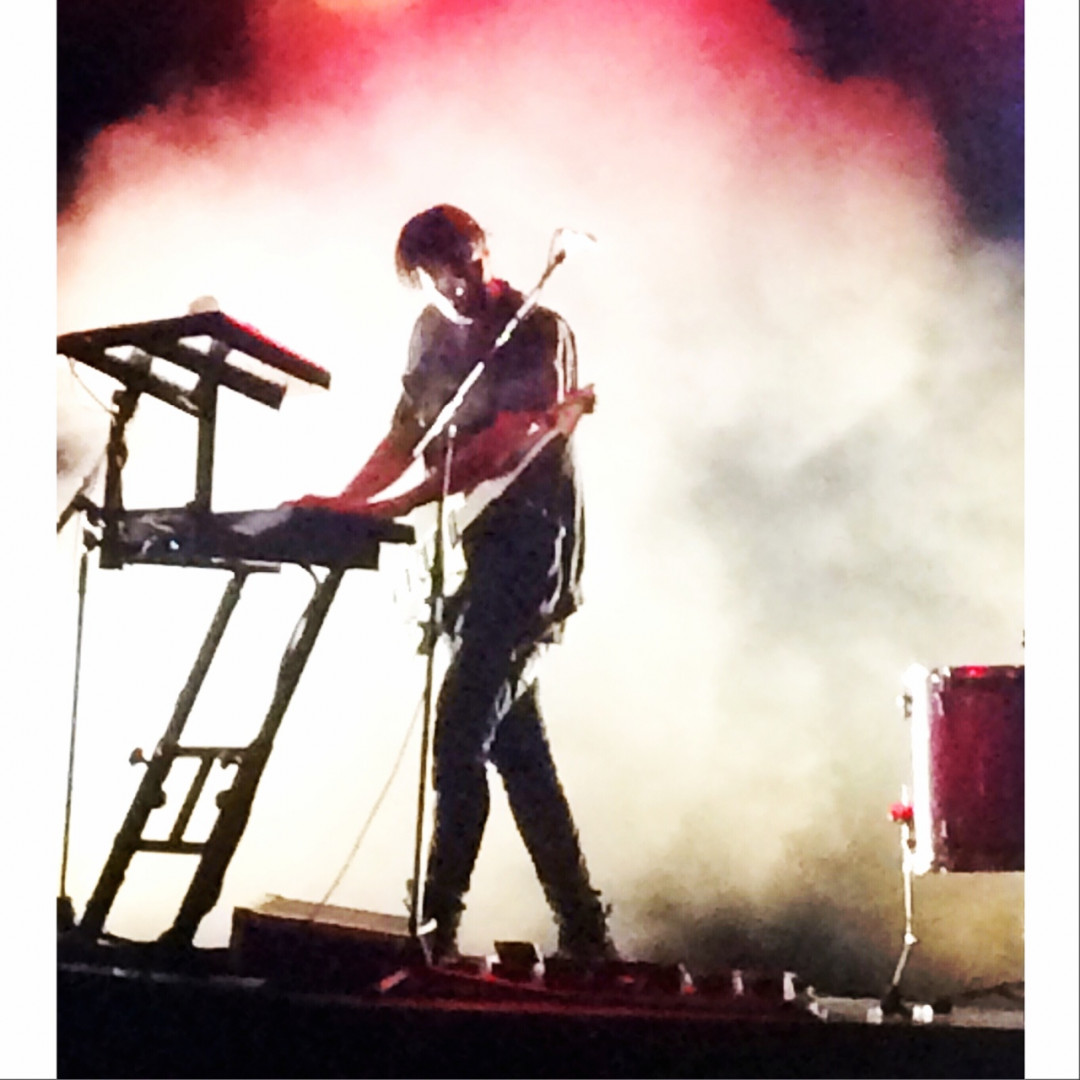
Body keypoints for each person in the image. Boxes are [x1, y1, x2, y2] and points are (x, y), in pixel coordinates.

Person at [294, 205, 612, 964]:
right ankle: (585, 931)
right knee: (519, 754)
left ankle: (435, 927)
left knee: (460, 732)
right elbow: (407, 432)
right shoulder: (431, 336)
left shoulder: (537, 327)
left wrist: (396, 504)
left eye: (467, 264)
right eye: (439, 276)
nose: (458, 285)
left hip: (533, 551)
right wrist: (343, 502)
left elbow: (508, 441)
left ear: (486, 252)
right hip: (480, 556)